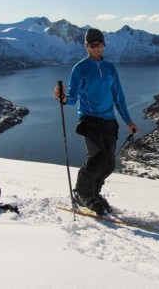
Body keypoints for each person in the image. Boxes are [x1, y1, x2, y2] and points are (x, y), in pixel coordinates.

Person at [54, 28, 139, 216]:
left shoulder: (110, 68)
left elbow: (119, 97)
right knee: (97, 158)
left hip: (109, 121)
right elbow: (73, 97)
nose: (96, 48)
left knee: (109, 164)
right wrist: (63, 98)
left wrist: (128, 121)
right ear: (86, 46)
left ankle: (94, 192)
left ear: (103, 45)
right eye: (92, 45)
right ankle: (82, 194)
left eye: (99, 44)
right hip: (89, 119)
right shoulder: (80, 68)